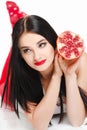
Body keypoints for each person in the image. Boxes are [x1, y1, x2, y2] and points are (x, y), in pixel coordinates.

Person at [1, 15, 87, 130]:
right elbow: (39, 126)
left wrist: (69, 75)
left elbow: (77, 121)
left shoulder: (80, 61)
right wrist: (56, 76)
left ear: (52, 41)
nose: (37, 56)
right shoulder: (22, 78)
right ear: (21, 55)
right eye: (27, 50)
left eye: (42, 45)